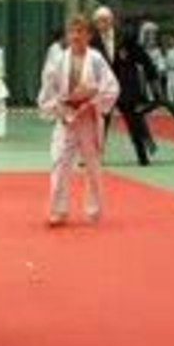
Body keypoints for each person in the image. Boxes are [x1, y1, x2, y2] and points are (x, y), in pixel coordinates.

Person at [38, 16, 119, 227]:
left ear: (89, 36)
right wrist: (60, 107)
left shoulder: (96, 59)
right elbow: (47, 92)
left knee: (92, 167)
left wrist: (92, 100)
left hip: (88, 119)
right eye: (72, 32)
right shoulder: (58, 60)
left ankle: (94, 211)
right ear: (67, 35)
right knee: (59, 164)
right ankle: (58, 211)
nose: (76, 36)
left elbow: (112, 88)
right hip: (65, 117)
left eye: (81, 32)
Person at [91, 6, 158, 166]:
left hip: (126, 87)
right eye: (100, 21)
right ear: (96, 23)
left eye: (106, 20)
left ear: (112, 21)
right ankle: (94, 157)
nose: (103, 23)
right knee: (100, 124)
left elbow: (144, 59)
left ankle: (142, 156)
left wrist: (153, 80)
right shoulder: (93, 42)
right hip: (104, 89)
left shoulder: (125, 38)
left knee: (134, 122)